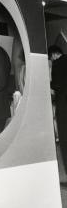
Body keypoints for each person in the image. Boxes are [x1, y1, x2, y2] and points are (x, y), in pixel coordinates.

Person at [48, 44, 67, 172]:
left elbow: (56, 85)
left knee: (64, 139)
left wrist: (49, 84)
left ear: (54, 55)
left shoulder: (57, 64)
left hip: (63, 105)